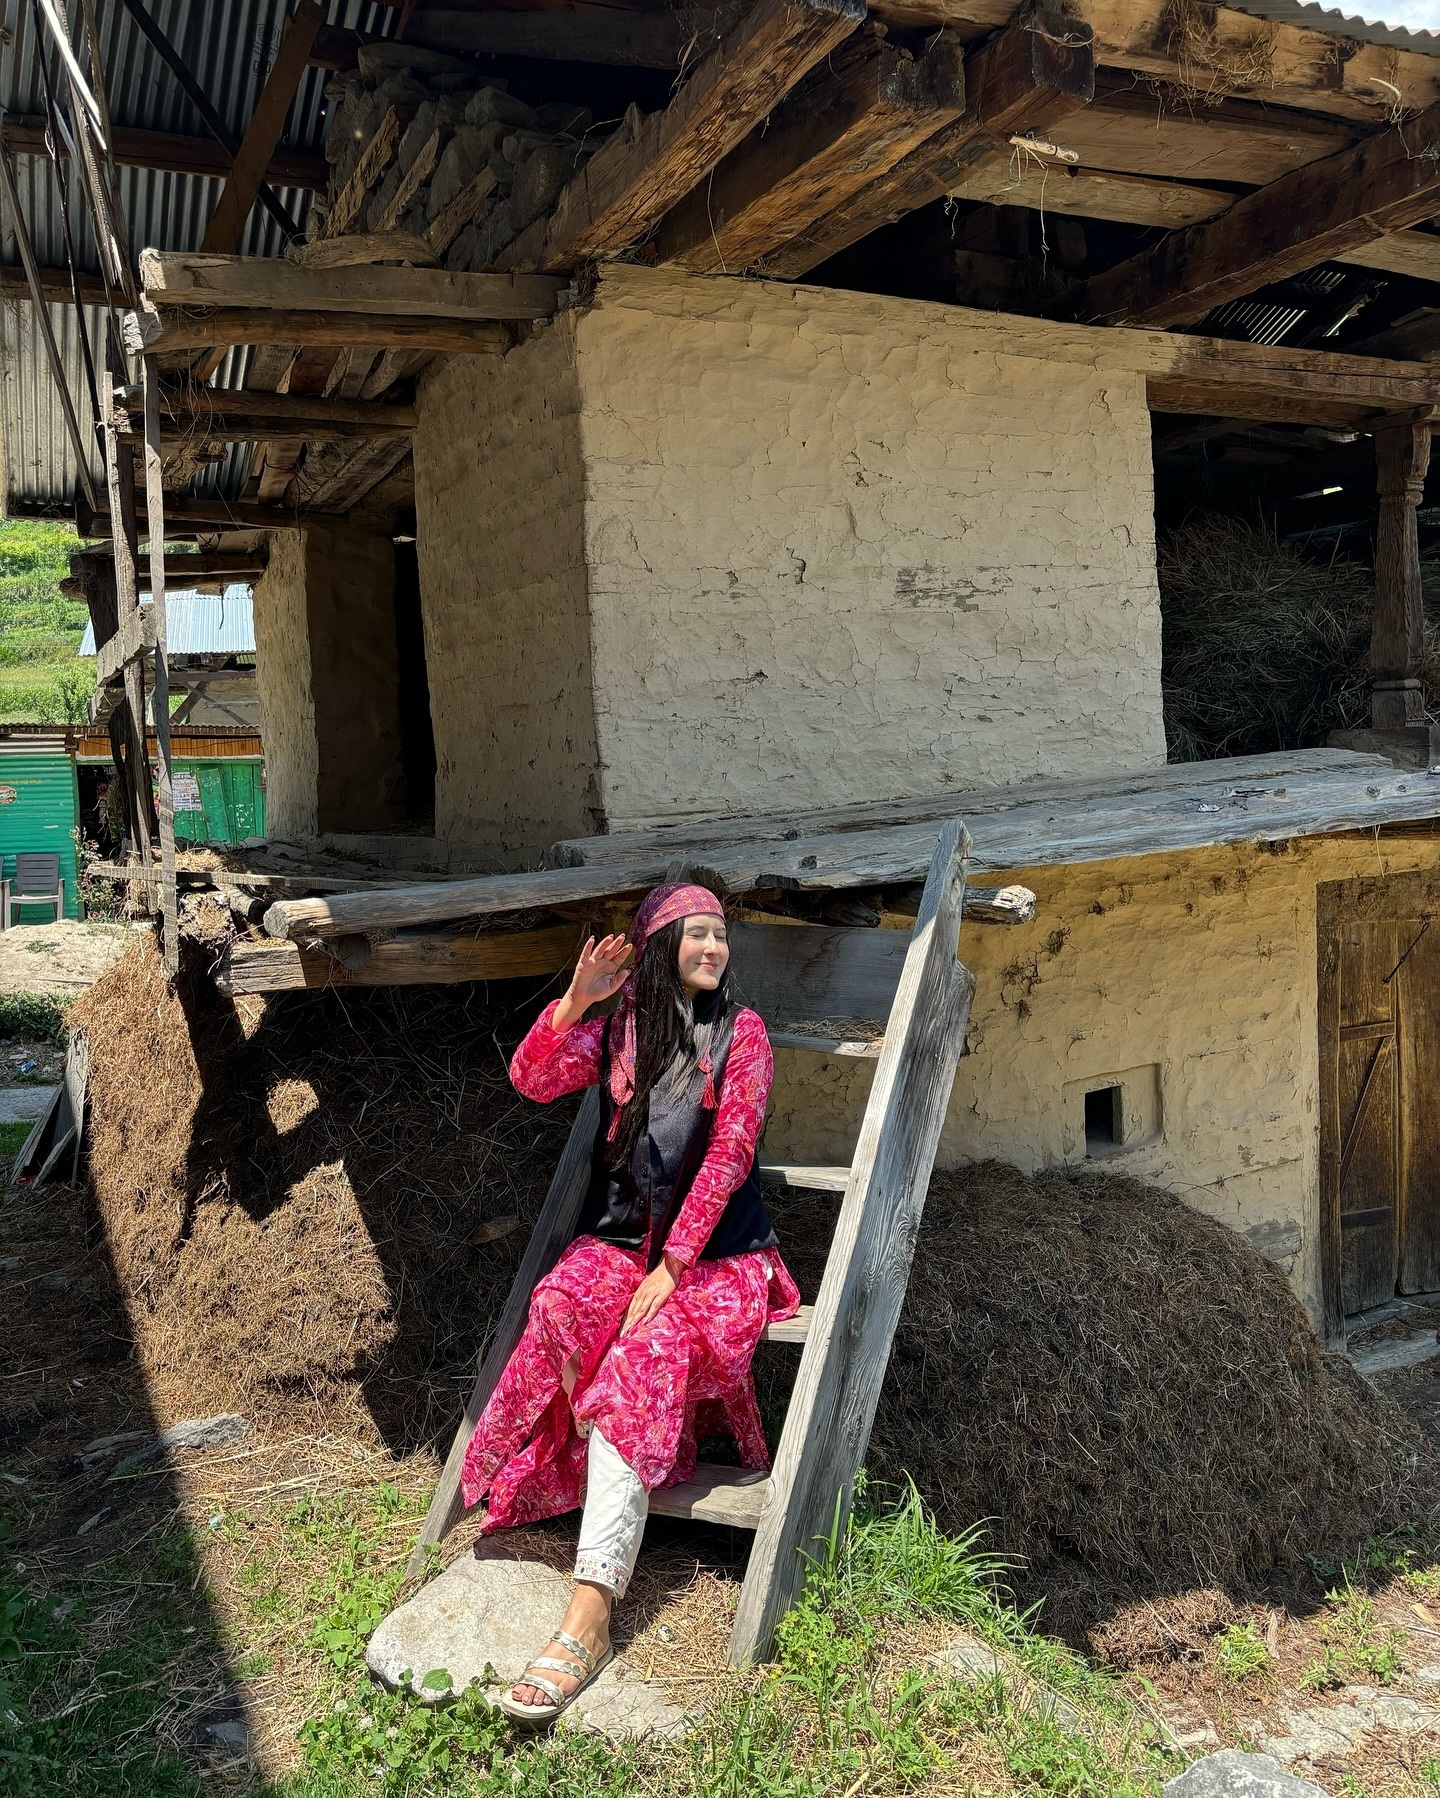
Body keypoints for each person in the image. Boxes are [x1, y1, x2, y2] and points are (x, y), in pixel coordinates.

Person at [461, 883, 799, 1725]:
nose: (714, 948)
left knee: (640, 1362)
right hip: (625, 1242)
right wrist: (576, 1002)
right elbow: (532, 1079)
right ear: (659, 948)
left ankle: (591, 1612)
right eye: (697, 934)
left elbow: (729, 1154)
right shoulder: (622, 1031)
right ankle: (607, 1459)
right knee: (559, 1304)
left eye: (721, 935)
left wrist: (673, 1266)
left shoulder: (744, 1035)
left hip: (716, 1259)